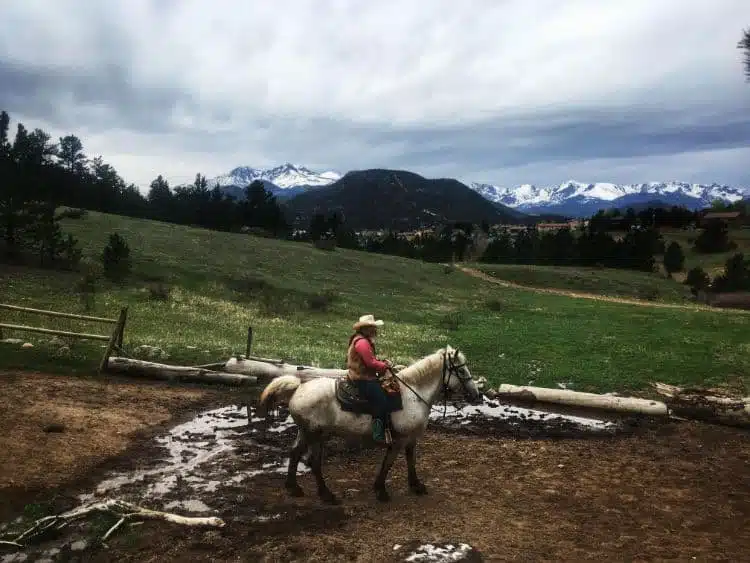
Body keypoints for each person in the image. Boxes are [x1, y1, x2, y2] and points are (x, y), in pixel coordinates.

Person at [346, 314, 393, 442]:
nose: (375, 330)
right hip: (362, 378)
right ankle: (378, 434)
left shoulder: (362, 340)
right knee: (381, 400)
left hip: (363, 375)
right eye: (372, 327)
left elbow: (370, 360)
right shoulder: (362, 343)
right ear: (366, 329)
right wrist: (385, 365)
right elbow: (370, 363)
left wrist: (381, 362)